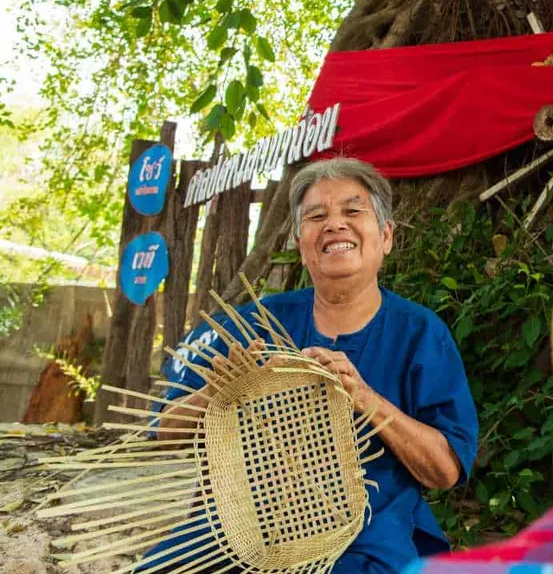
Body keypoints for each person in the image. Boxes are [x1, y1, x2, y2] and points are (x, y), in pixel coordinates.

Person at [148, 157, 479, 573]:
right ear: (301, 243)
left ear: (386, 235)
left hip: (365, 536)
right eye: (316, 216)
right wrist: (213, 394)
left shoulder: (421, 334)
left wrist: (365, 398)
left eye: (353, 211)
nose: (334, 224)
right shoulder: (250, 322)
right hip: (237, 534)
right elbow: (163, 434)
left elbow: (445, 470)